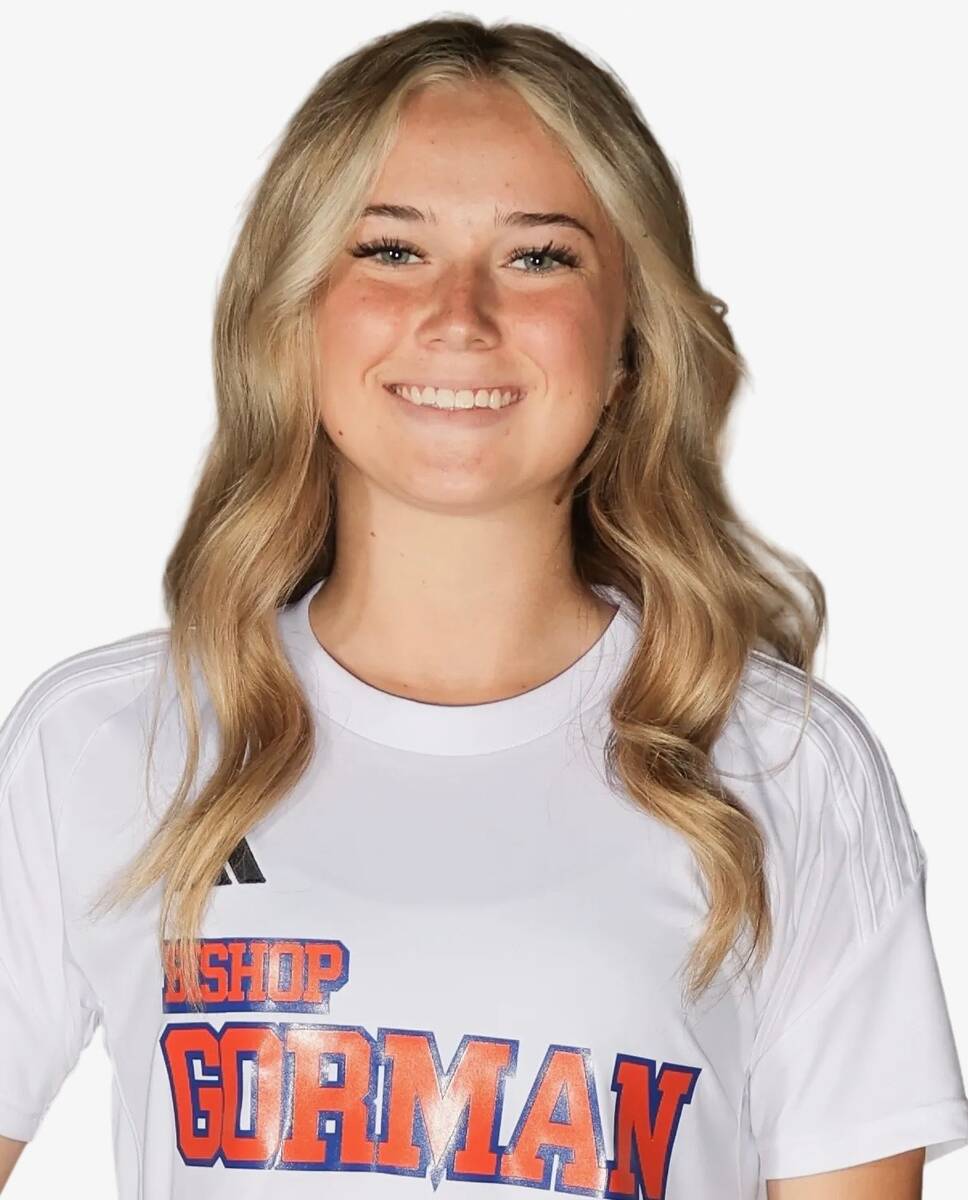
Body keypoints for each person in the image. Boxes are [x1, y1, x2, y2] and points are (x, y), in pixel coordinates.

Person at [0, 15, 965, 1199]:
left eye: (539, 257)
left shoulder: (780, 765)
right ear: (293, 314)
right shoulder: (105, 746)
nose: (458, 315)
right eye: (390, 249)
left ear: (629, 343)